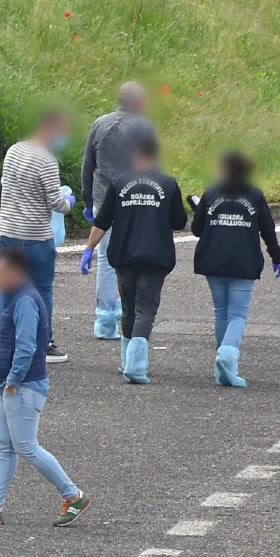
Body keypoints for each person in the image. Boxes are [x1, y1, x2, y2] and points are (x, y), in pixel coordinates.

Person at [0, 248, 91, 527]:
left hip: (22, 386)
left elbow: (26, 346)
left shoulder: (25, 301)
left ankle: (73, 496)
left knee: (26, 446)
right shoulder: (16, 297)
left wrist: (12, 381)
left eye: (0, 272)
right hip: (9, 384)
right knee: (6, 447)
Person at [79, 136, 186, 384]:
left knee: (128, 308)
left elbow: (102, 220)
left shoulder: (119, 182)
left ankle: (126, 360)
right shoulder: (168, 184)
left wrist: (89, 249)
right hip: (155, 256)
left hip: (124, 255)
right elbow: (179, 221)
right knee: (145, 309)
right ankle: (136, 365)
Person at [0, 111, 78, 367]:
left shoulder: (13, 151)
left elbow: (5, 184)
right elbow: (56, 203)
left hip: (7, 231)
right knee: (42, 289)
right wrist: (70, 201)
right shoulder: (47, 160)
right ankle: (42, 343)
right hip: (35, 235)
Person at [190, 151, 280, 388]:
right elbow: (268, 229)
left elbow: (197, 229)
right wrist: (276, 257)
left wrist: (200, 209)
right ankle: (227, 354)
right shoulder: (254, 195)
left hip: (213, 260)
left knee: (221, 313)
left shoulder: (211, 193)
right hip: (244, 261)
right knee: (238, 315)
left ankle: (222, 365)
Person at [80, 81, 158, 340]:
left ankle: (104, 319)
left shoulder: (100, 124)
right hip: (135, 200)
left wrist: (88, 201)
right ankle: (131, 314)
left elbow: (88, 165)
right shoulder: (144, 127)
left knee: (105, 258)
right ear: (137, 101)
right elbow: (152, 167)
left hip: (103, 198)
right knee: (134, 258)